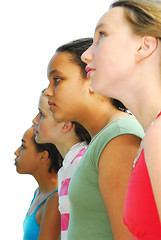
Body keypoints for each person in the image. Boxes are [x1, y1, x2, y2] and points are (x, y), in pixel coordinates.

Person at [44, 38, 144, 240]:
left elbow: (127, 234)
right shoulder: (103, 139)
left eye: (57, 80)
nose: (48, 92)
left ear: (91, 79)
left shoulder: (119, 136)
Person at [81, 1, 161, 239]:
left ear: (144, 46)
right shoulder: (150, 138)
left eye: (102, 35)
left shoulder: (158, 136)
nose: (86, 55)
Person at [32, 90, 91, 240]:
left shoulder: (81, 164)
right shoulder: (67, 167)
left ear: (66, 125)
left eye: (42, 114)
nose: (35, 120)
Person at [14, 126, 63, 240]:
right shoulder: (39, 192)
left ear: (43, 156)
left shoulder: (54, 200)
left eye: (23, 146)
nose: (16, 152)